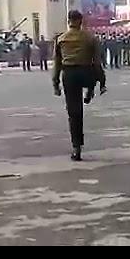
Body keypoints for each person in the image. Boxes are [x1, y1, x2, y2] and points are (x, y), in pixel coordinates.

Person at [52, 10, 101, 161]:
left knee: (74, 113)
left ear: (69, 21)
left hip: (69, 75)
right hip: (86, 73)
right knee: (90, 75)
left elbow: (57, 64)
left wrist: (55, 83)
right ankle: (90, 91)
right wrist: (99, 80)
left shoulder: (61, 39)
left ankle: (76, 147)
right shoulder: (91, 38)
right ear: (81, 21)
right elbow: (97, 63)